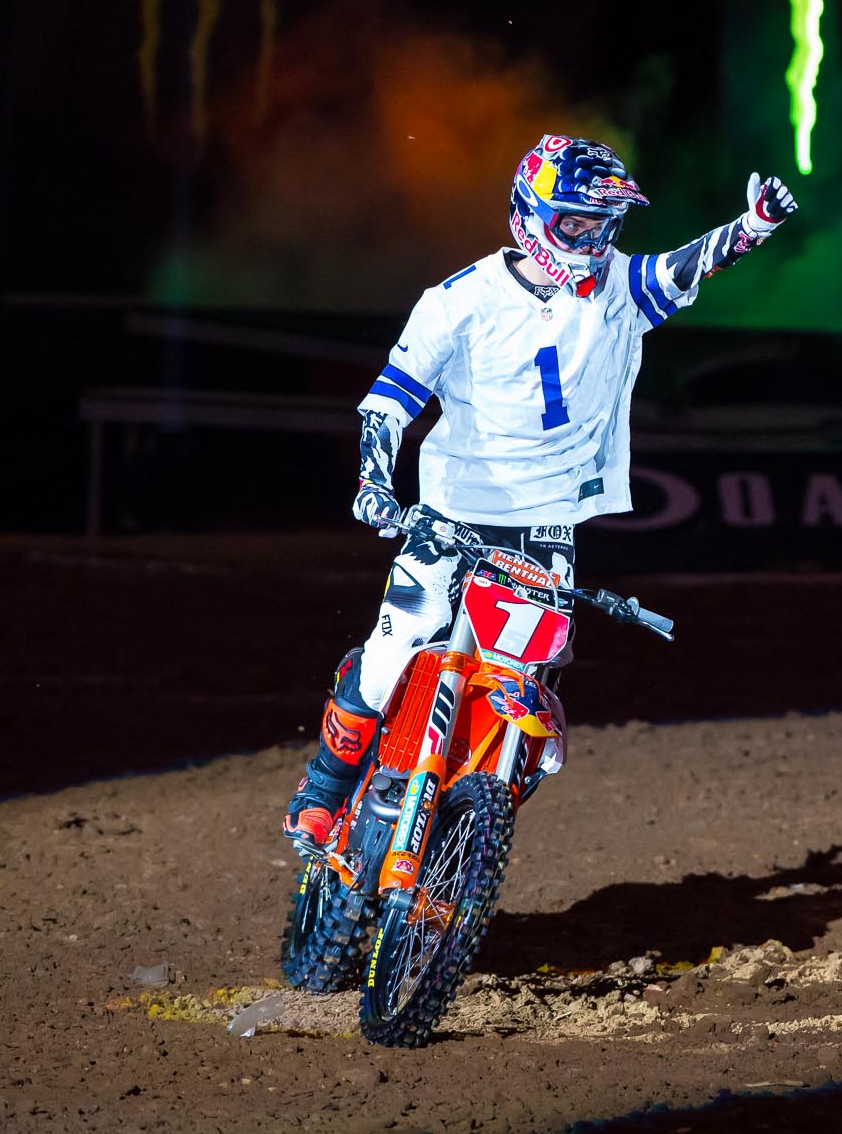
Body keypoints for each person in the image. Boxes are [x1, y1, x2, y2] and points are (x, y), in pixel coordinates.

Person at [282, 135, 797, 852]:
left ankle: (463, 830)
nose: (592, 241)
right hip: (449, 514)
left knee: (531, 702)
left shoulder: (616, 286)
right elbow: (389, 402)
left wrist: (753, 229)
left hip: (547, 529)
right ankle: (324, 789)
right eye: (576, 225)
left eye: (604, 227)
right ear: (532, 216)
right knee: (392, 647)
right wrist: (374, 480)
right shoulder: (458, 301)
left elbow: (681, 270)